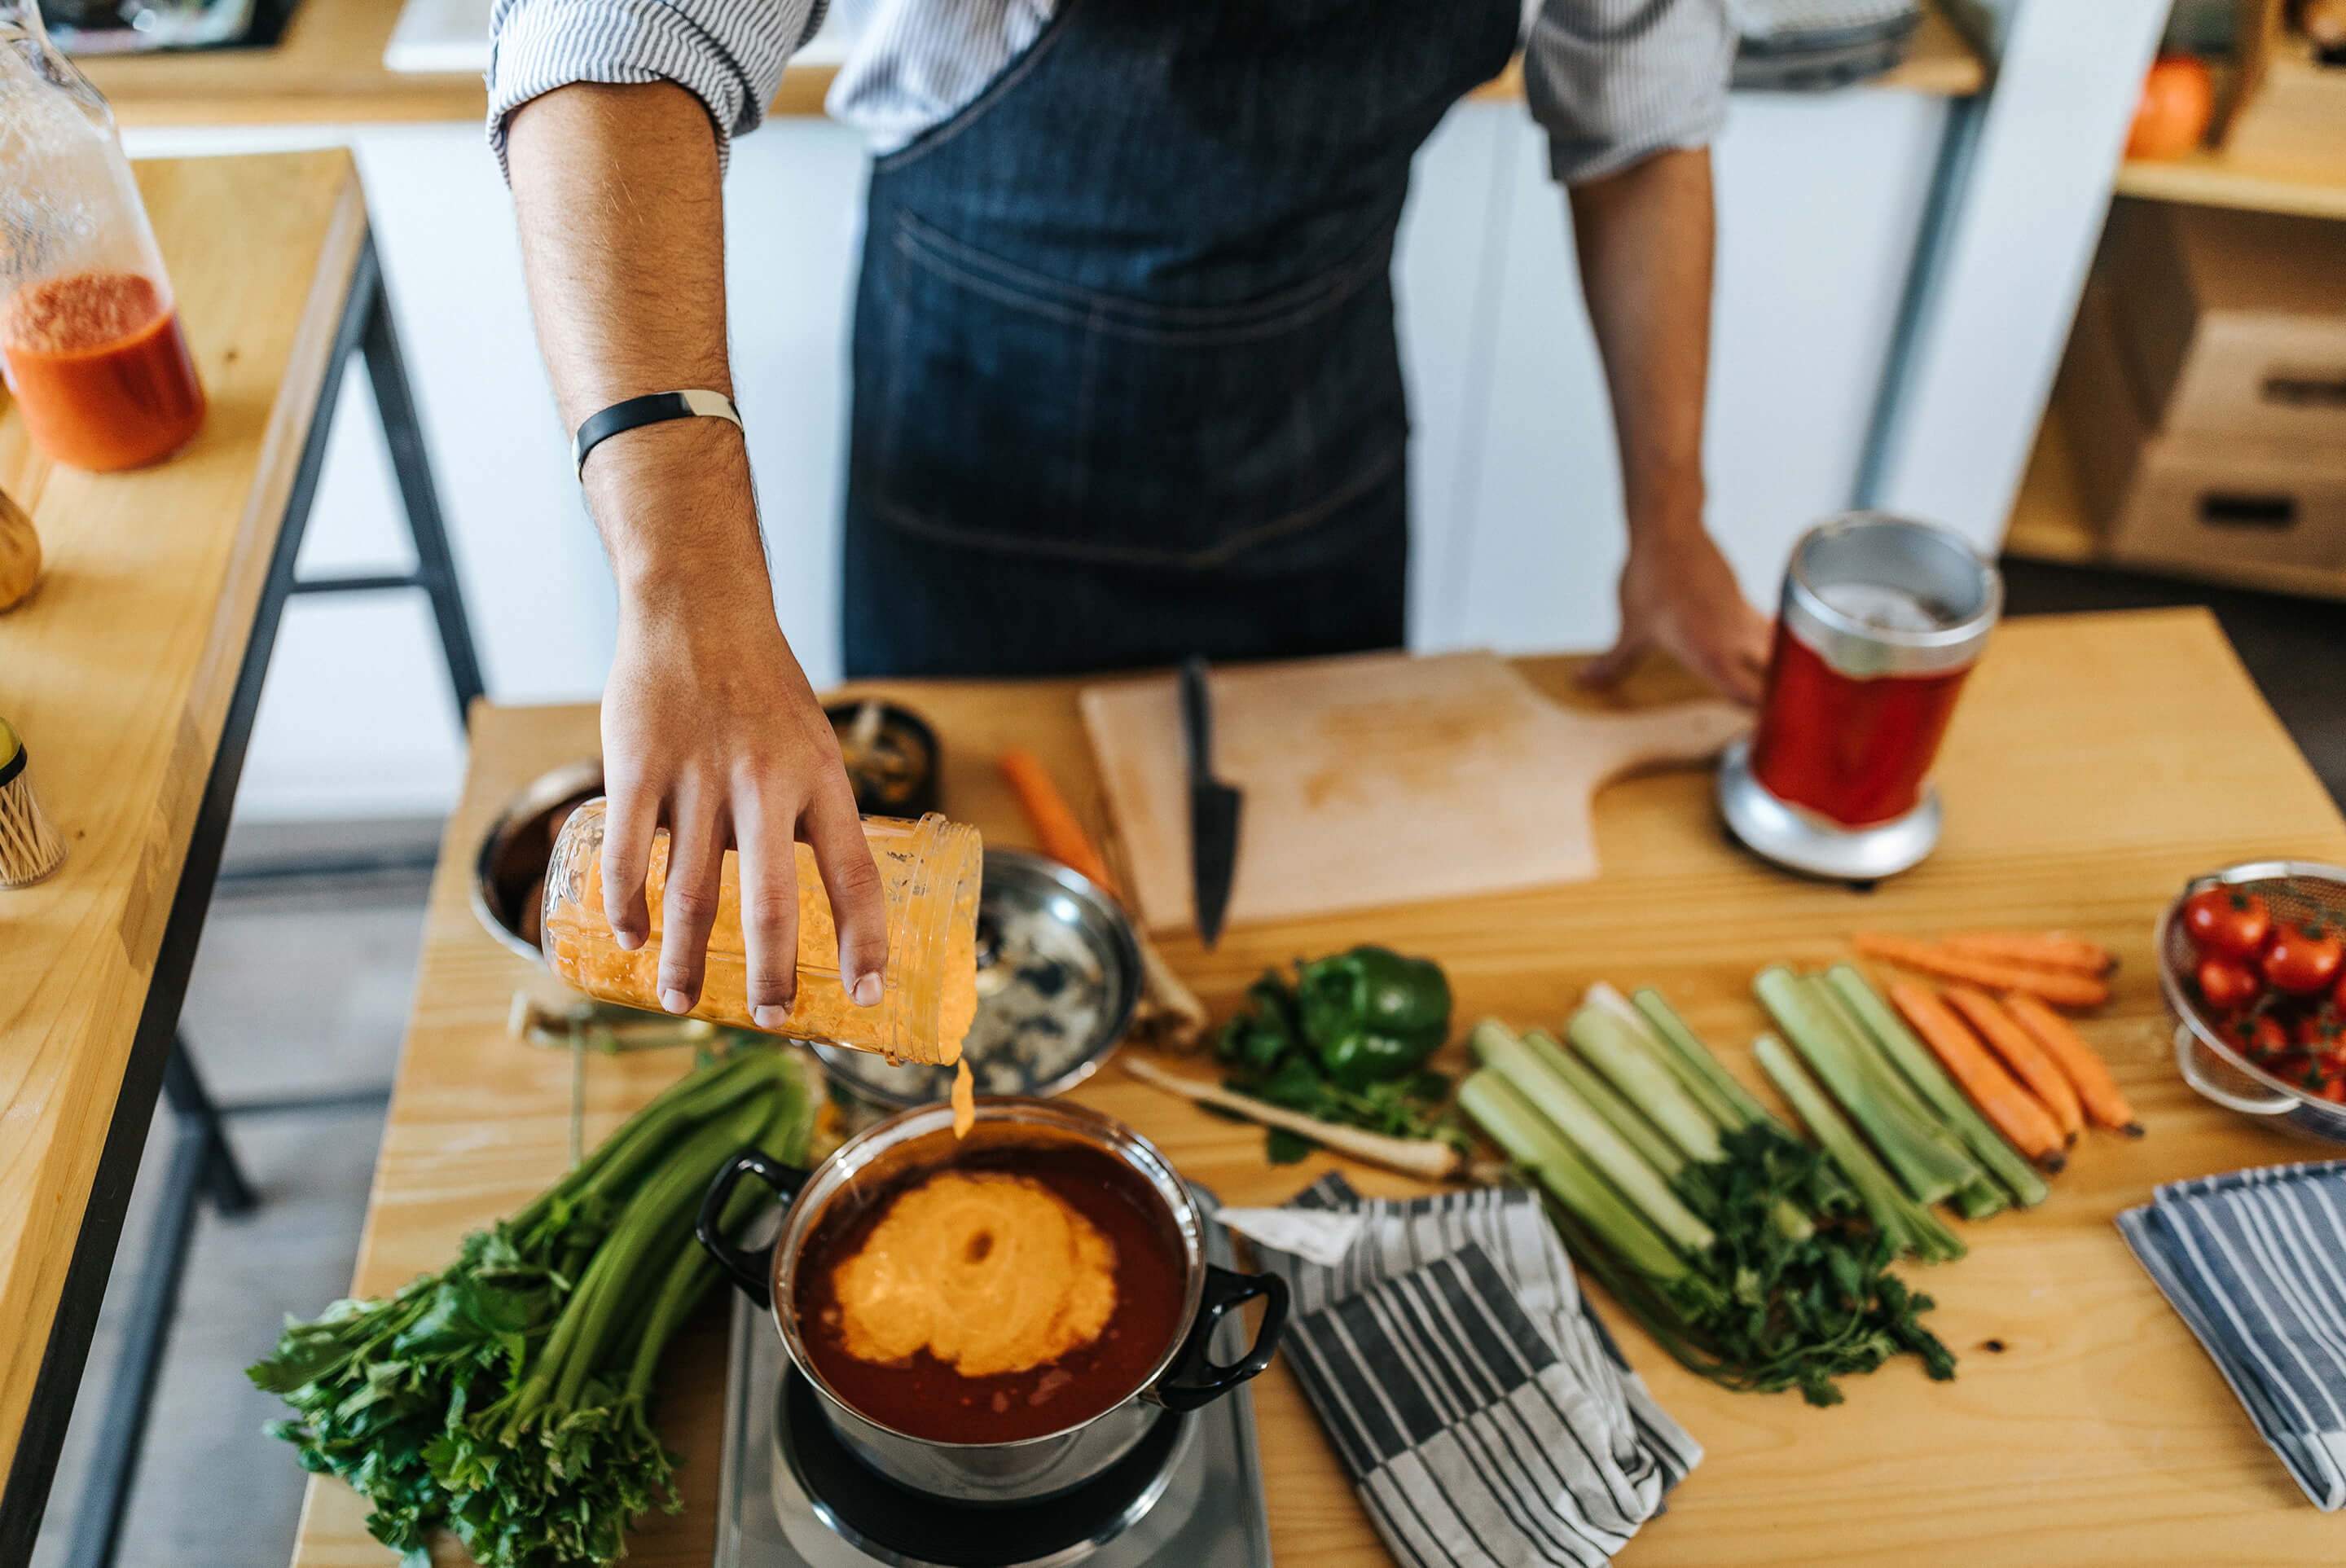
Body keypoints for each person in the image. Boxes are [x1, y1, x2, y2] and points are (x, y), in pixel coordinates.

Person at [491, 0, 1772, 1029]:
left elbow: (1643, 120)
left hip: (1315, 433)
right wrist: (690, 588)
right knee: (948, 952)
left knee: (1282, 951)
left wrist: (1671, 515)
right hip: (984, 421)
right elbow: (605, 42)